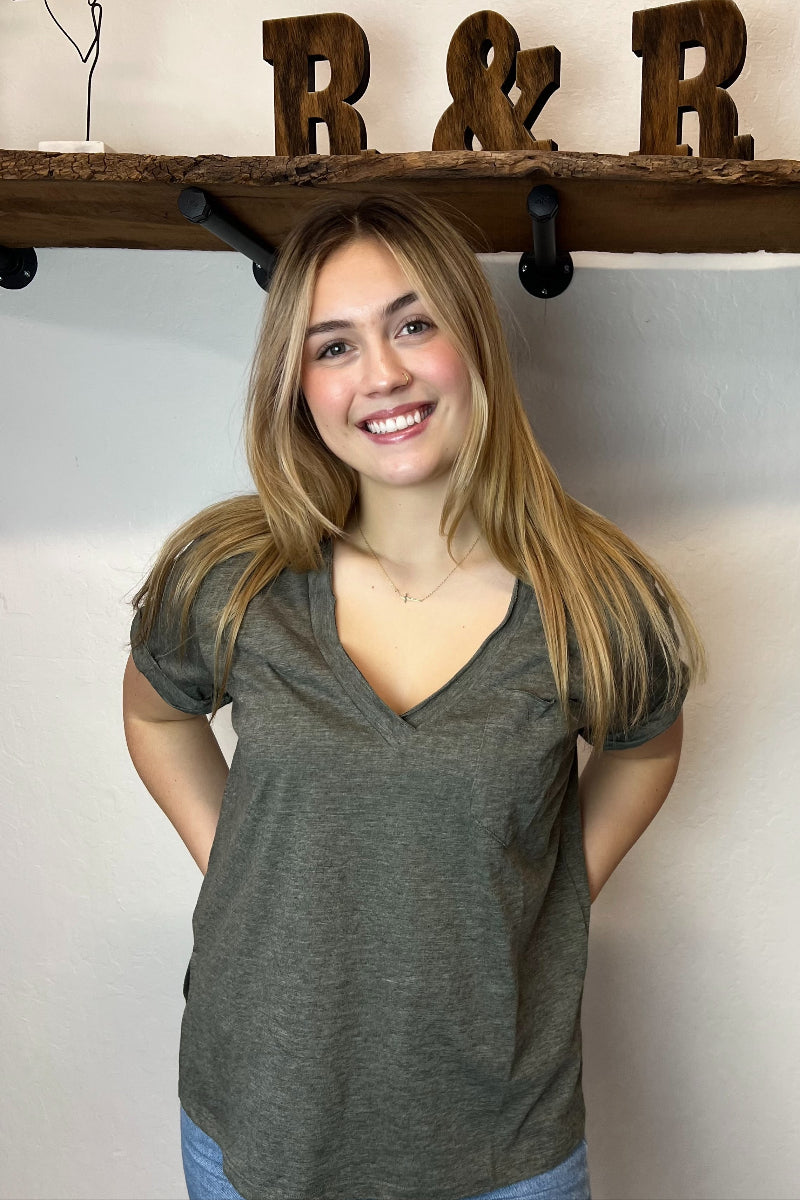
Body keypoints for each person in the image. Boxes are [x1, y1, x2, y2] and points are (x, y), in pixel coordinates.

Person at [122, 193, 705, 1200]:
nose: (381, 374)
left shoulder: (594, 597)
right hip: (256, 1122)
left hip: (500, 1144)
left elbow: (646, 744)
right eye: (333, 346)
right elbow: (153, 712)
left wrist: (556, 890)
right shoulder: (230, 577)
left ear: (469, 340)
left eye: (412, 324)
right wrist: (244, 869)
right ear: (294, 385)